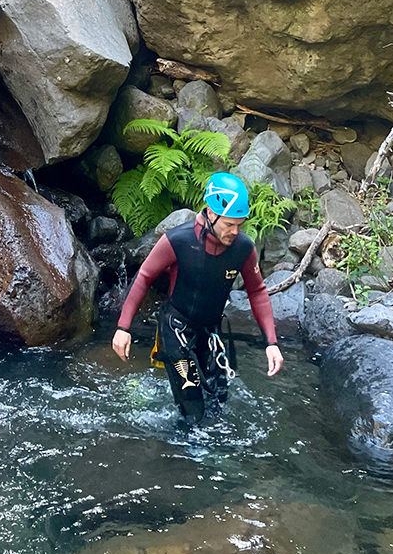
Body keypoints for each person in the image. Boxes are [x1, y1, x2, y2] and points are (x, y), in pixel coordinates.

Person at [111, 172, 283, 423]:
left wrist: (271, 343)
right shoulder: (179, 240)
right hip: (176, 329)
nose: (235, 231)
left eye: (240, 224)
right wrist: (123, 327)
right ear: (211, 214)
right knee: (193, 412)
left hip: (211, 331)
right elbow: (144, 276)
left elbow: (257, 291)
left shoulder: (243, 248)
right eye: (229, 224)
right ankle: (188, 457)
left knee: (218, 406)